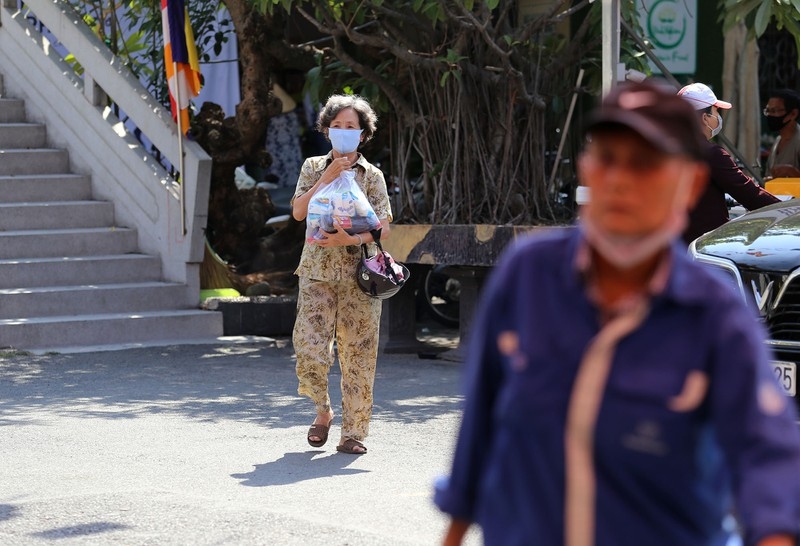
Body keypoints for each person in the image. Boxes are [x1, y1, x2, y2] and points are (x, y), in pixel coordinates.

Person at [434, 81, 800, 546]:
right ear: (588, 170)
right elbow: (480, 428)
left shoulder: (712, 308)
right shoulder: (529, 276)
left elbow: (764, 455)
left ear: (686, 185)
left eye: (647, 164)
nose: (622, 180)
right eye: (608, 158)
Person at [290, 94, 392, 456]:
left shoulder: (372, 175)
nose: (344, 132)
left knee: (359, 353)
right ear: (327, 130)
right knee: (310, 347)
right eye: (337, 126)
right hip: (317, 271)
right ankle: (323, 411)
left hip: (360, 275)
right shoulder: (312, 166)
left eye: (351, 127)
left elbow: (383, 227)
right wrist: (327, 178)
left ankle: (354, 432)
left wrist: (353, 237)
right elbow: (300, 213)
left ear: (363, 135)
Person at [677, 82, 780, 243]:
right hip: (704, 248)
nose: (718, 116)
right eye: (716, 110)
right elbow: (749, 194)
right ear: (705, 118)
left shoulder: (664, 151)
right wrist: (787, 212)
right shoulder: (711, 154)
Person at [764, 88, 800, 180]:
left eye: (774, 111)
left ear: (793, 114)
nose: (770, 115)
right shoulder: (777, 141)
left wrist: (792, 171)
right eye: (768, 111)